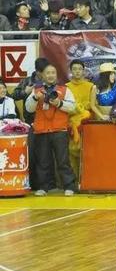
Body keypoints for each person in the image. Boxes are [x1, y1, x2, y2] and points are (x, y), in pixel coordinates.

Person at [24, 63, 77, 196]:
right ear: (42, 75)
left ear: (56, 75)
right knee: (43, 161)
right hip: (41, 131)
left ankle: (69, 186)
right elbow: (28, 108)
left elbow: (73, 107)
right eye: (48, 73)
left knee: (63, 160)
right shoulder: (37, 90)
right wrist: (35, 98)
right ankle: (44, 187)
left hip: (60, 130)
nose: (50, 75)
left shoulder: (64, 90)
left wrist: (59, 103)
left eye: (53, 73)